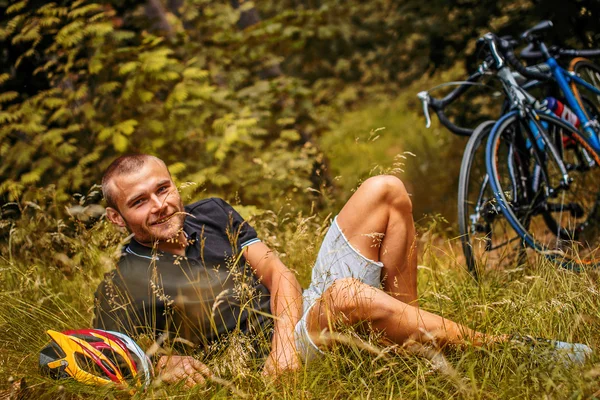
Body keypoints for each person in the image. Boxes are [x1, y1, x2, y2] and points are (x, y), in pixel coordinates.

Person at [93, 154, 591, 388]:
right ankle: (523, 353)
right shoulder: (122, 282)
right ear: (117, 218)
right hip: (255, 368)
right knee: (348, 294)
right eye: (139, 202)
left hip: (291, 328)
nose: (159, 205)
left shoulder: (212, 212)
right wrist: (164, 365)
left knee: (385, 187)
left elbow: (280, 277)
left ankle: (408, 339)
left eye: (164, 189)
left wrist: (284, 339)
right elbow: (114, 362)